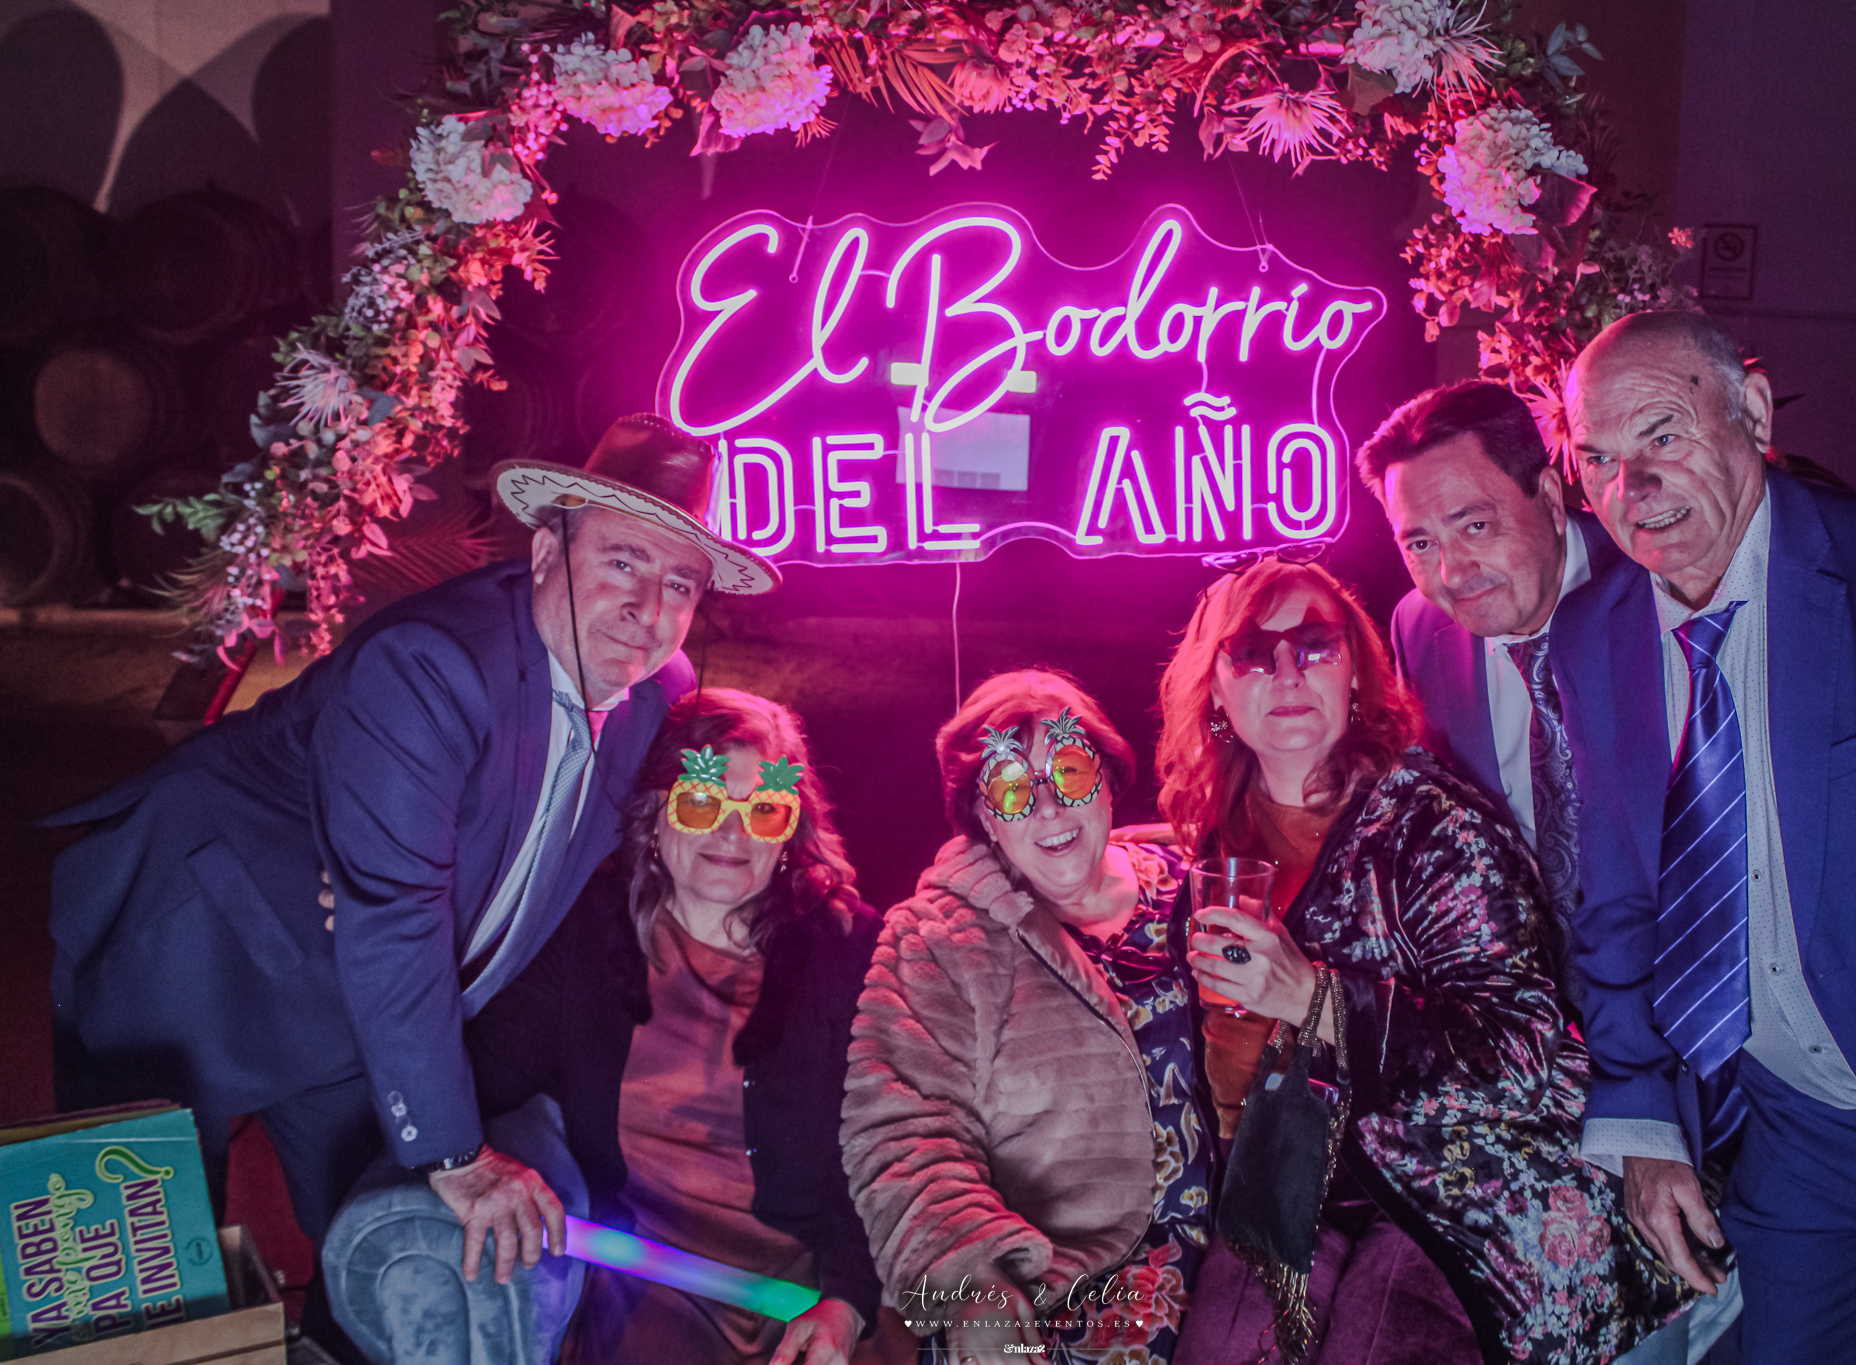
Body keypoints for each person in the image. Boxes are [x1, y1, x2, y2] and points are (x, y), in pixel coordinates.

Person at [44, 415, 780, 1324]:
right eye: (622, 561)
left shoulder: (655, 694)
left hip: (371, 1010)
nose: (647, 608)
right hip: (196, 946)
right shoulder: (430, 664)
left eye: (679, 583)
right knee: (133, 1287)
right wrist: (456, 1154)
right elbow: (394, 915)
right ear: (546, 552)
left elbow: (607, 856)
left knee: (385, 1263)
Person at [1562, 309, 1856, 1364]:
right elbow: (1618, 898)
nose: (1630, 486)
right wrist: (1641, 1114)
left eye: (1661, 433)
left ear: (1751, 409)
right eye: (1594, 457)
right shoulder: (1593, 632)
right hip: (1800, 1131)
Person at [1157, 558, 1692, 1365]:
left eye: (1314, 644)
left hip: (1463, 1174)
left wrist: (1315, 995)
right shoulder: (1212, 846)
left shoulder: (1434, 825)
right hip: (1295, 1176)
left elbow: (1517, 1053)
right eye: (1253, 653)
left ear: (1354, 673)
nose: (1288, 671)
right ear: (1217, 692)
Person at [1357, 381, 1742, 1357]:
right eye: (1417, 541)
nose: (1450, 570)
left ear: (1550, 490)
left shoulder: (1667, 585)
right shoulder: (1420, 632)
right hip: (1549, 1057)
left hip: (1713, 1029)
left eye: (1474, 523)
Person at [448, 689, 894, 1365]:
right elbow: (481, 1074)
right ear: (653, 815)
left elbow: (880, 1142)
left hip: (814, 1294)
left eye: (762, 810)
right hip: (652, 1291)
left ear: (789, 830)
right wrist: (417, 928)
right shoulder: (586, 933)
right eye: (702, 801)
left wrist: (848, 1299)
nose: (732, 833)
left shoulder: (849, 949)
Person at [841, 669, 1214, 1364]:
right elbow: (905, 1132)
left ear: (1108, 780)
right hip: (1054, 1288)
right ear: (984, 818)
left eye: (1069, 771)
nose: (1047, 807)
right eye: (1012, 789)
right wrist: (971, 1279)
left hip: (1230, 1264)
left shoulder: (1200, 884)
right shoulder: (938, 939)